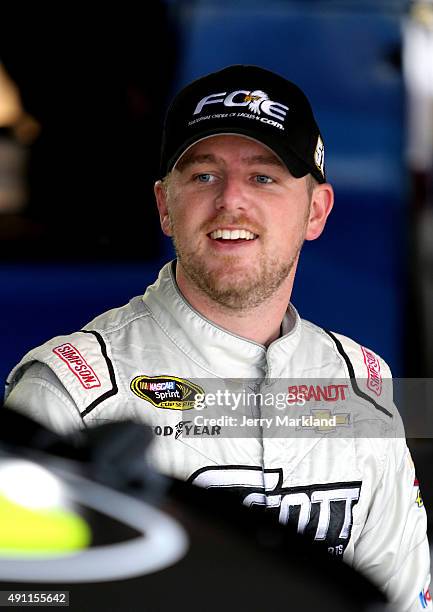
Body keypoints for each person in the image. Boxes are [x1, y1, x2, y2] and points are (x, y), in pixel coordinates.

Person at [4, 65, 431, 611]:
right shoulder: (72, 393)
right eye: (204, 175)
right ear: (164, 205)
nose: (231, 201)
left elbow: (401, 600)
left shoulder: (361, 385)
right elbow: (24, 595)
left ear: (315, 211)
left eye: (264, 177)